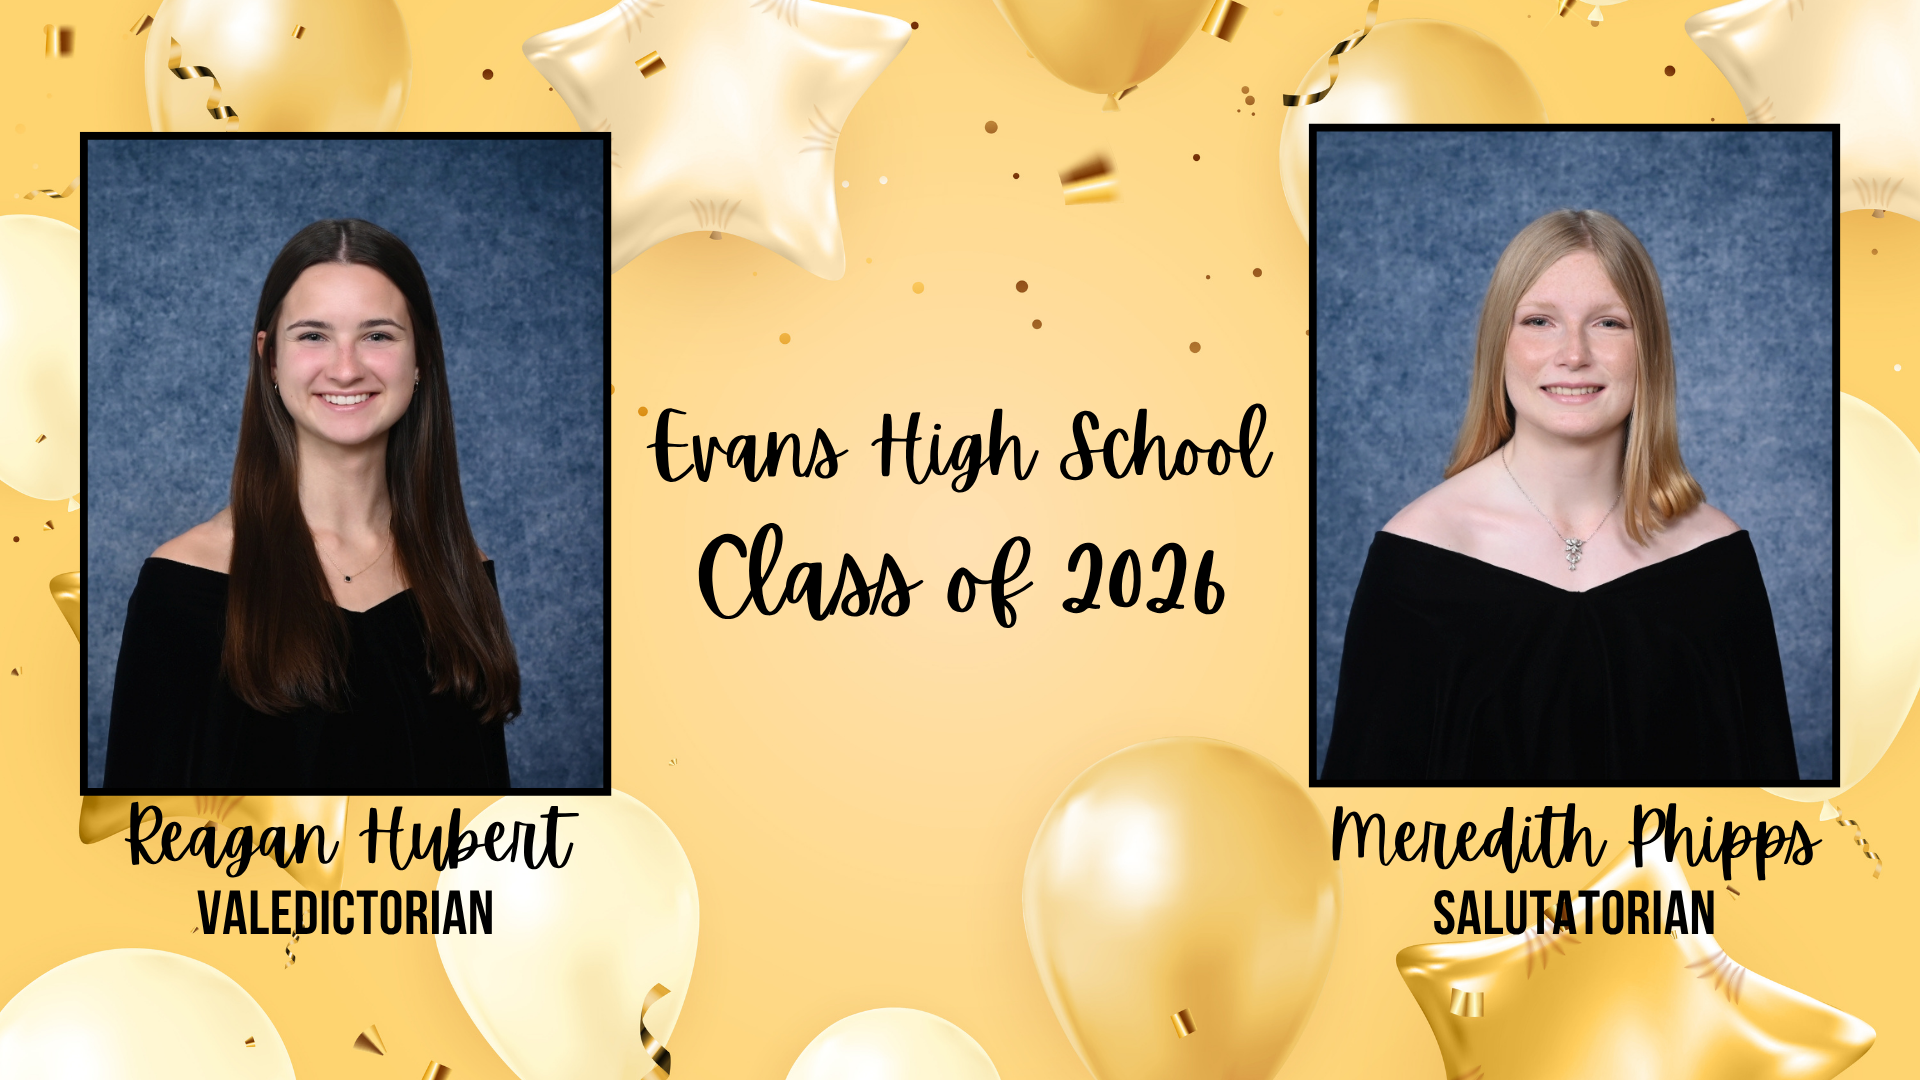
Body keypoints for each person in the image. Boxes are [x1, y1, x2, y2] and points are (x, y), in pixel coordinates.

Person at [1319, 209, 1800, 784]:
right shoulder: (1414, 563)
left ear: (1649, 348)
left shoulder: (1717, 562)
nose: (1573, 354)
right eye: (1540, 321)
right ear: (1499, 343)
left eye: (1609, 323)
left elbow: (1773, 829)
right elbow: (1359, 834)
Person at [104, 219, 518, 789]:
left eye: (378, 335)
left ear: (420, 357)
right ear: (269, 358)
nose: (345, 368)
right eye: (312, 335)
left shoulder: (461, 570)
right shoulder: (181, 587)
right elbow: (134, 847)